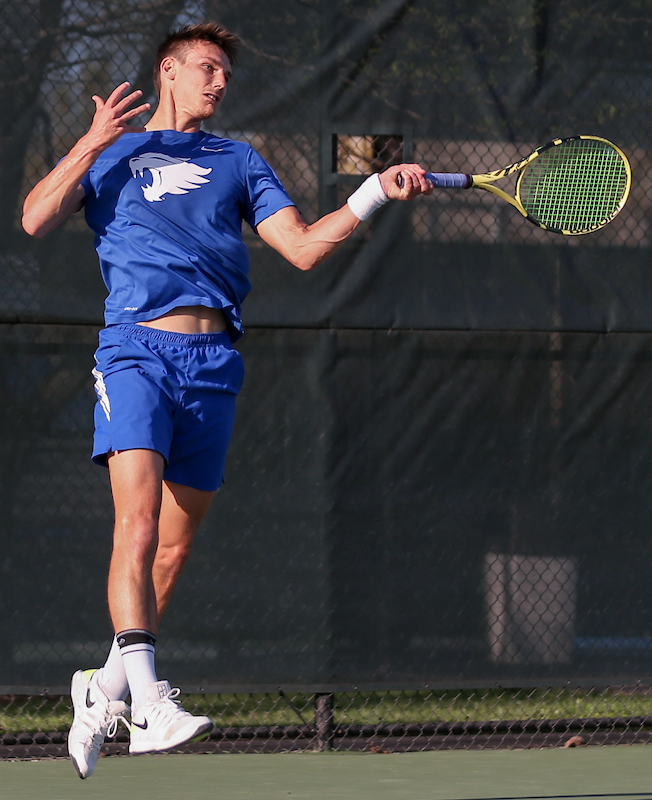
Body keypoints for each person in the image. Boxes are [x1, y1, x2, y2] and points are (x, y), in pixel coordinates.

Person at [21, 21, 431, 779]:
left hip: (213, 363)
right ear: (168, 73)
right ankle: (148, 710)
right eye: (206, 69)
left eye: (225, 75)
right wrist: (89, 140)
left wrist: (374, 190)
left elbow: (304, 248)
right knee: (137, 527)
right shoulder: (113, 152)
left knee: (172, 550)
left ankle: (103, 690)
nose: (219, 83)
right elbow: (35, 217)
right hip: (135, 349)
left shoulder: (238, 161)